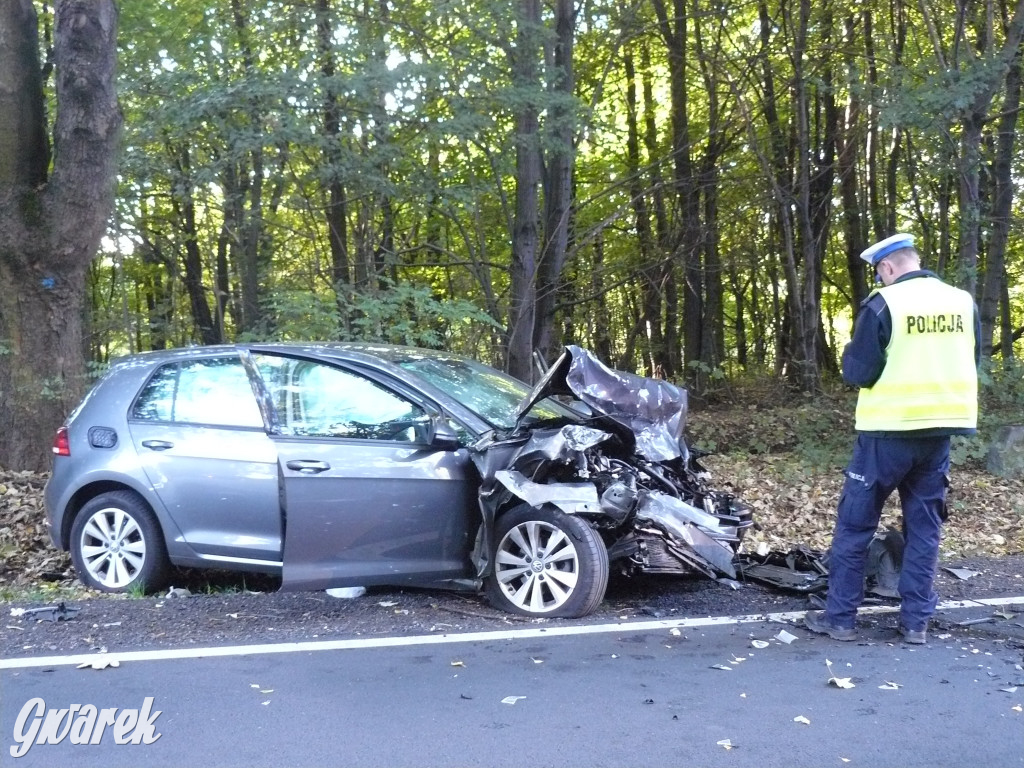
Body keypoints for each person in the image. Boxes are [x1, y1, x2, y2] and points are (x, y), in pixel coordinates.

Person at [804, 233, 980, 644]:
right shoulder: (962, 302)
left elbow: (860, 372)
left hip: (887, 433)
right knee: (924, 530)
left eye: (879, 273)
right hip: (939, 433)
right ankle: (916, 623)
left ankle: (841, 619)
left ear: (887, 267)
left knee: (855, 527)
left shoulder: (884, 304)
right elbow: (971, 360)